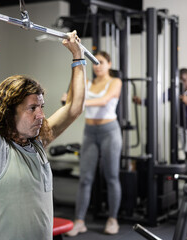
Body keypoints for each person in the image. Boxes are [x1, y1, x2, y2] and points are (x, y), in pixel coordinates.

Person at [0, 3, 86, 240]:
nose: (40, 115)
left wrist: (78, 56)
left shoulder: (38, 143)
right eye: (32, 108)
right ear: (9, 111)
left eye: (41, 107)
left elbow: (74, 108)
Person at [66, 51, 122, 237]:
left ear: (109, 64)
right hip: (90, 132)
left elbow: (104, 100)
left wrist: (78, 102)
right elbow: (69, 96)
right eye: (95, 63)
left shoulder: (115, 82)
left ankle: (113, 219)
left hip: (110, 132)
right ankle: (79, 221)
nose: (98, 66)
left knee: (111, 176)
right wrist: (70, 97)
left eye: (101, 62)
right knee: (85, 178)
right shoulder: (87, 82)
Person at [133, 68, 187, 179]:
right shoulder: (174, 91)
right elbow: (159, 99)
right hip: (186, 131)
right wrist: (143, 101)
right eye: (180, 81)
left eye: (184, 80)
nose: (182, 83)